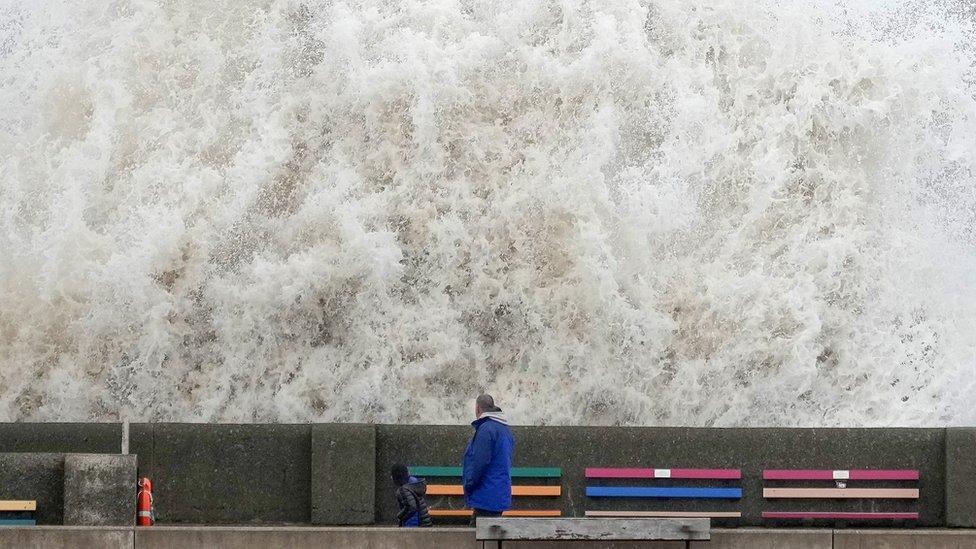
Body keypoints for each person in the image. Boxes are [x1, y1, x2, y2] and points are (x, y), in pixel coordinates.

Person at [462, 393, 514, 521]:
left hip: (485, 495)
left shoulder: (486, 430)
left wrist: (469, 485)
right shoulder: (504, 429)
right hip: (498, 493)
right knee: (490, 537)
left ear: (478, 409)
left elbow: (479, 463)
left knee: (477, 537)